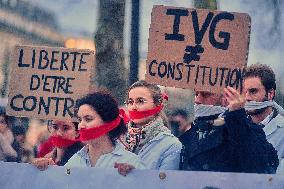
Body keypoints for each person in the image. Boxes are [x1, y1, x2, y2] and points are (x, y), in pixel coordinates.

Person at [179, 86, 279, 173]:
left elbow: (259, 169)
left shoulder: (246, 129)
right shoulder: (192, 130)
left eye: (205, 94)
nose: (197, 100)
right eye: (196, 94)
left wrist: (236, 116)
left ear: (226, 99)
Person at [65, 91, 145, 175]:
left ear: (108, 122)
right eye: (80, 120)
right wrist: (52, 172)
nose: (81, 125)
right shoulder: (74, 161)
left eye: (88, 119)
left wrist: (134, 178)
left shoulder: (131, 162)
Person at [121, 80, 182, 170]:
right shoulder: (119, 140)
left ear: (157, 105)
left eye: (140, 101)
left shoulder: (171, 145)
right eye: (130, 102)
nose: (133, 107)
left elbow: (165, 182)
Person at [243, 63, 284, 174]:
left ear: (270, 94)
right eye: (244, 92)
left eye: (253, 91)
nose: (247, 97)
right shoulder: (235, 126)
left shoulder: (282, 132)